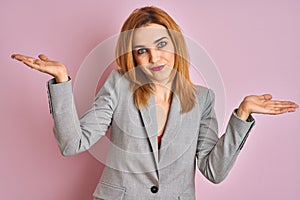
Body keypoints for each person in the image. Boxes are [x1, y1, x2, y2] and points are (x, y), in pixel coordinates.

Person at [11, 6, 298, 200]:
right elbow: (72, 144)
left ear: (175, 45)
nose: (154, 58)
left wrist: (242, 114)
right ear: (133, 57)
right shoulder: (119, 85)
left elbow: (214, 171)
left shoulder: (202, 99)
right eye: (142, 51)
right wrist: (61, 81)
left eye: (161, 45)